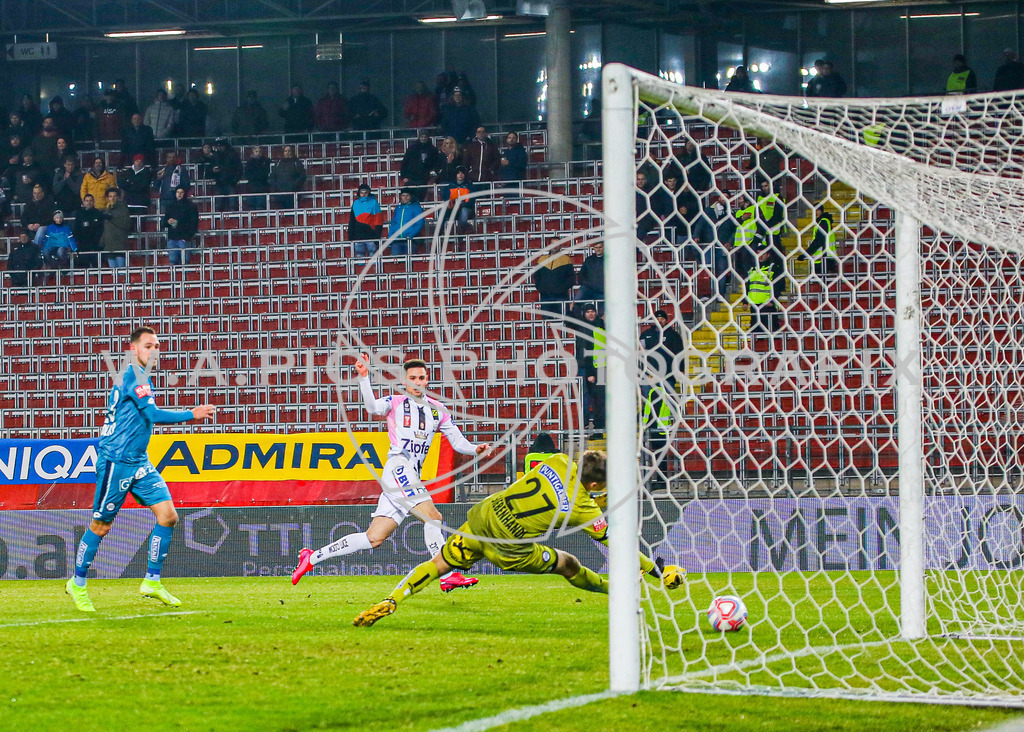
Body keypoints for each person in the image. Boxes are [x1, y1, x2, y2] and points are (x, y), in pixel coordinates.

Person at [351, 450, 681, 627]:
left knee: (438, 563)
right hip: (508, 547)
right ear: (594, 486)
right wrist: (657, 571)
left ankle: (393, 598)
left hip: (484, 516)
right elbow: (617, 543)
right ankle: (617, 590)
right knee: (569, 564)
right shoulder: (584, 508)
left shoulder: (557, 460)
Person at [292, 356, 488, 592]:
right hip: (398, 468)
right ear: (405, 381)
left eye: (421, 378)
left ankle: (311, 557)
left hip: (410, 475)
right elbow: (372, 407)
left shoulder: (438, 410)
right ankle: (447, 575)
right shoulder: (395, 403)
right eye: (412, 378)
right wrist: (364, 378)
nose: (417, 382)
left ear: (427, 380)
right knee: (432, 517)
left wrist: (475, 449)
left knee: (373, 538)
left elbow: (457, 441)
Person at [65, 327, 216, 613]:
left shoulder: (141, 377)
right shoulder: (133, 374)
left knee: (168, 516)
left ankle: (152, 581)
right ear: (134, 349)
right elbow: (152, 416)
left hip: (138, 461)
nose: (155, 351)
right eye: (149, 346)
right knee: (101, 525)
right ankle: (78, 583)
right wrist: (191, 414)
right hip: (116, 461)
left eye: (157, 346)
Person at [575, 304, 606, 432]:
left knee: (601, 397)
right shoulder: (581, 327)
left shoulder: (602, 326)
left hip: (601, 367)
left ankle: (602, 422)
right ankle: (586, 422)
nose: (590, 314)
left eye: (592, 311)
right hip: (585, 366)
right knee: (586, 396)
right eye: (588, 311)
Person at [640, 310, 684, 391]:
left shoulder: (674, 335)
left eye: (662, 318)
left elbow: (679, 353)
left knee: (668, 400)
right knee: (648, 396)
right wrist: (645, 372)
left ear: (666, 320)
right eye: (657, 318)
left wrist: (680, 369)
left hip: (668, 374)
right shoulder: (645, 334)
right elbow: (641, 354)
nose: (660, 321)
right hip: (650, 374)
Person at [746, 245, 781, 338]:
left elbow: (778, 286)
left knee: (771, 331)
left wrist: (772, 301)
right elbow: (748, 285)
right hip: (754, 306)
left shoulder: (774, 268)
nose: (760, 256)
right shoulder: (752, 268)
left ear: (768, 255)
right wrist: (745, 301)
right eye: (758, 253)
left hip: (767, 306)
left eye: (763, 254)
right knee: (755, 333)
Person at [399, 130, 442, 202]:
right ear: (419, 137)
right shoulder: (412, 148)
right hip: (412, 177)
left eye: (425, 137)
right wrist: (404, 176)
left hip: (425, 178)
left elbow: (436, 163)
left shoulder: (433, 150)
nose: (423, 138)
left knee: (420, 198)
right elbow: (405, 163)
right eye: (422, 137)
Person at [533, 245, 576, 316]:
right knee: (546, 322)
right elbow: (537, 276)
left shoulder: (566, 259)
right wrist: (541, 288)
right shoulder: (542, 259)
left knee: (564, 320)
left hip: (561, 296)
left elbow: (571, 277)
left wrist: (562, 289)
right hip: (545, 296)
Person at [163, 186, 199, 265]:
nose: (179, 194)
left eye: (181, 192)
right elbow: (164, 221)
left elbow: (194, 223)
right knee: (172, 262)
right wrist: (168, 221)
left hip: (184, 238)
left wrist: (188, 236)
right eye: (177, 192)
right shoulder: (170, 205)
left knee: (185, 262)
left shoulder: (191, 206)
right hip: (172, 238)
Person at [348, 183, 383, 256]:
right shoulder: (355, 203)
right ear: (359, 193)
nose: (363, 195)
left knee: (373, 261)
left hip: (371, 237)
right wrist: (350, 237)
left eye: (365, 193)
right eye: (361, 193)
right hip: (358, 237)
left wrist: (377, 238)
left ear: (369, 193)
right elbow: (352, 221)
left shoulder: (374, 203)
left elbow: (378, 221)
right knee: (360, 261)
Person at [99, 187, 131, 267]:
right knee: (113, 273)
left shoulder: (123, 209)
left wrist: (111, 219)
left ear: (118, 197)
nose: (112, 198)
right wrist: (102, 242)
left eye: (114, 196)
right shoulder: (106, 210)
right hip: (109, 245)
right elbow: (106, 228)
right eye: (110, 196)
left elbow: (126, 224)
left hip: (120, 244)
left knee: (121, 272)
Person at [387, 189, 425, 256]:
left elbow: (419, 223)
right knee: (396, 263)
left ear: (411, 197)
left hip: (410, 240)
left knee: (409, 262)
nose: (405, 197)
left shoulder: (416, 208)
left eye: (407, 195)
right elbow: (393, 223)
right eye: (403, 195)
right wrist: (390, 237)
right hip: (397, 240)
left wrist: (411, 234)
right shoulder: (398, 208)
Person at [440, 167, 476, 234]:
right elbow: (446, 198)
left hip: (466, 209)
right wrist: (449, 204)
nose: (460, 174)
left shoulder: (469, 186)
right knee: (443, 210)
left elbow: (471, 201)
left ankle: (461, 232)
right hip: (453, 209)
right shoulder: (451, 186)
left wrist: (461, 205)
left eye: (462, 173)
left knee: (464, 211)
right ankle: (440, 231)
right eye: (458, 173)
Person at [804, 204, 838, 276]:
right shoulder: (820, 222)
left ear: (821, 211)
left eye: (818, 210)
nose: (816, 212)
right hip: (822, 259)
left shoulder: (823, 222)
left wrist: (808, 252)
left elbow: (819, 240)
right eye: (814, 210)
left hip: (825, 259)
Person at [73, 193, 105, 267]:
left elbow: (101, 229)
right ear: (83, 202)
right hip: (83, 244)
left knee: (96, 268)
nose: (89, 202)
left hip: (96, 244)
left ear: (94, 202)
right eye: (87, 201)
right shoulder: (79, 214)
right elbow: (76, 229)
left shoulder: (98, 214)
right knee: (84, 267)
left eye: (90, 201)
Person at [269, 144, 306, 209]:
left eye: (289, 151)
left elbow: (302, 176)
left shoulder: (297, 163)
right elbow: (272, 176)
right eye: (285, 151)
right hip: (279, 193)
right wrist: (276, 185)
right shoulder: (278, 163)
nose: (287, 152)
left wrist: (293, 185)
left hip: (293, 193)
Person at [210, 138, 242, 211]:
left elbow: (239, 169)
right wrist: (213, 171)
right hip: (219, 182)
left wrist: (235, 180)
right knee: (218, 205)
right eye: (218, 146)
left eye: (221, 146)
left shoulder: (233, 155)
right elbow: (211, 168)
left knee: (233, 204)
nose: (219, 147)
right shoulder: (215, 156)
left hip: (231, 182)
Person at [574, 241, 604, 313]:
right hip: (588, 288)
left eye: (600, 247)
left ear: (604, 248)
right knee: (576, 303)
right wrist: (586, 283)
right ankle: (576, 320)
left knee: (601, 311)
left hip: (602, 290)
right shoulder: (589, 259)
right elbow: (581, 274)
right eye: (596, 247)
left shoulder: (609, 259)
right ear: (593, 248)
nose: (598, 249)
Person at [243, 145, 271, 210]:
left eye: (260, 151)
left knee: (260, 207)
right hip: (251, 188)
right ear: (253, 152)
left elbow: (265, 173)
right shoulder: (249, 162)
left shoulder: (266, 161)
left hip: (262, 187)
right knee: (251, 208)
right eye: (256, 151)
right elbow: (247, 174)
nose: (258, 153)